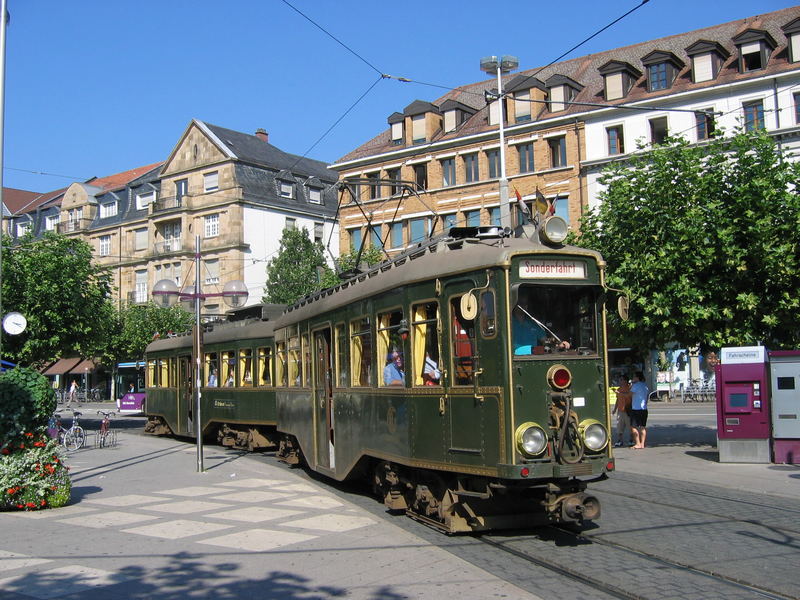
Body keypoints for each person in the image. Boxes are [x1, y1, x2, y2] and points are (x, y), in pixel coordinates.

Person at [630, 371, 649, 449]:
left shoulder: (635, 386)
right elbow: (647, 397)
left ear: (637, 377)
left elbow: (629, 395)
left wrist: (619, 393)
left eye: (634, 377)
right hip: (644, 409)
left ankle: (638, 443)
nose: (633, 378)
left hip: (636, 409)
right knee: (642, 427)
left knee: (633, 427)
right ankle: (642, 443)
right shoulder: (645, 386)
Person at [612, 376, 632, 447]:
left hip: (627, 410)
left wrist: (619, 393)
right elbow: (617, 400)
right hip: (620, 410)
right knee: (619, 426)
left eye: (621, 380)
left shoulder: (629, 388)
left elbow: (629, 396)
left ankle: (631, 440)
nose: (619, 381)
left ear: (625, 381)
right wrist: (614, 409)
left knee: (630, 426)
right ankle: (620, 440)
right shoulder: (619, 389)